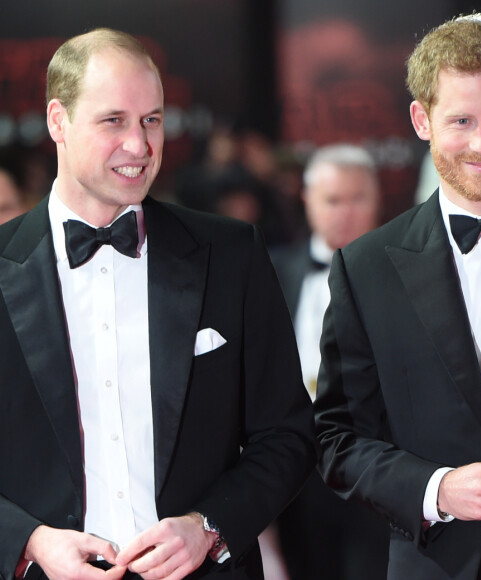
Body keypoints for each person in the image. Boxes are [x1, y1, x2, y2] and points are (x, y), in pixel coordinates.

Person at [0, 28, 317, 580]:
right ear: (58, 121)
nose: (140, 145)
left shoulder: (230, 253)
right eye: (113, 121)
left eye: (151, 120)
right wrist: (30, 542)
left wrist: (209, 526)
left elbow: (288, 434)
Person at [314, 13, 481, 579]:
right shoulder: (366, 268)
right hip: (443, 562)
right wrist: (436, 488)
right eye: (460, 120)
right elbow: (337, 440)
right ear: (422, 119)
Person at [271, 144, 390, 580]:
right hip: (298, 474)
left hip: (378, 466)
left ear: (377, 198)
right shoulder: (273, 270)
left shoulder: (407, 273)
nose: (345, 212)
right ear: (307, 200)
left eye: (357, 198)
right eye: (332, 200)